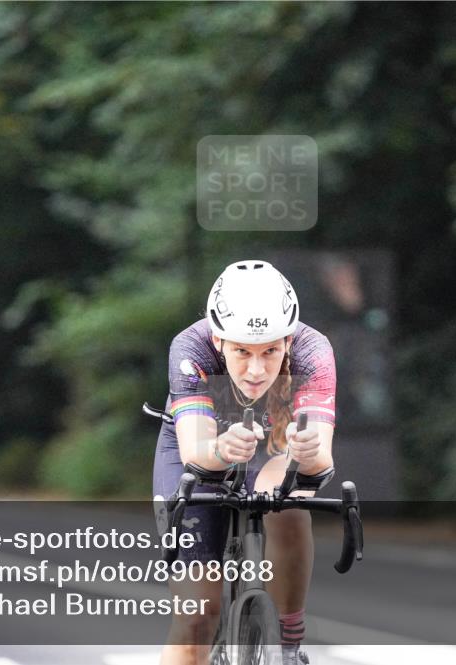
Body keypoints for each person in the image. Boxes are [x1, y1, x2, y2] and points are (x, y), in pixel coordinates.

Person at [152, 260, 337, 665]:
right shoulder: (191, 346)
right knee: (197, 619)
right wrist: (220, 450)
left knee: (287, 508)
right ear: (218, 341)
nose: (256, 370)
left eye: (270, 351)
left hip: (275, 442)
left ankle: (287, 644)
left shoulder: (313, 351)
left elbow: (320, 459)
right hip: (201, 441)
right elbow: (197, 451)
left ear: (288, 340)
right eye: (241, 352)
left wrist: (305, 453)